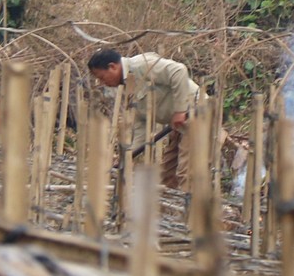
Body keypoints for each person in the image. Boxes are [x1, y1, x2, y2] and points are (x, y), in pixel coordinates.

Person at [86, 47, 206, 187]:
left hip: (197, 114)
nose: (102, 83)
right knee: (167, 176)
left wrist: (180, 110)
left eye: (101, 77)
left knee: (186, 173)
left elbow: (179, 71)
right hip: (179, 126)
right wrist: (127, 157)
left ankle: (191, 207)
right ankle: (169, 208)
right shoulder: (128, 88)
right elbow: (140, 127)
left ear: (112, 67)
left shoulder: (142, 65)